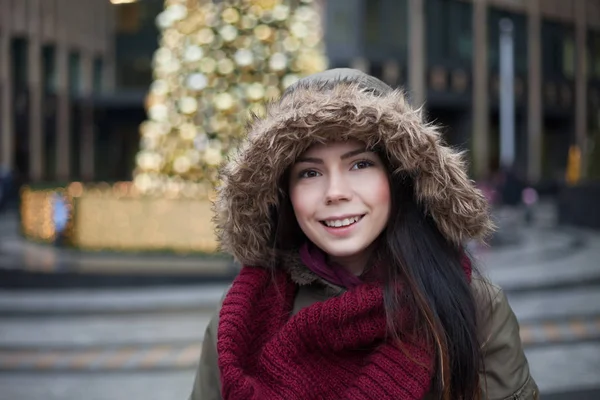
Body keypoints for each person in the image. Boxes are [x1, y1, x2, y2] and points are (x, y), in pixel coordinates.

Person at [189, 69, 538, 399]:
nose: (335, 192)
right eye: (310, 173)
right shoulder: (241, 318)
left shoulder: (473, 305)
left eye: (360, 165)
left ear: (399, 177)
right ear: (285, 193)